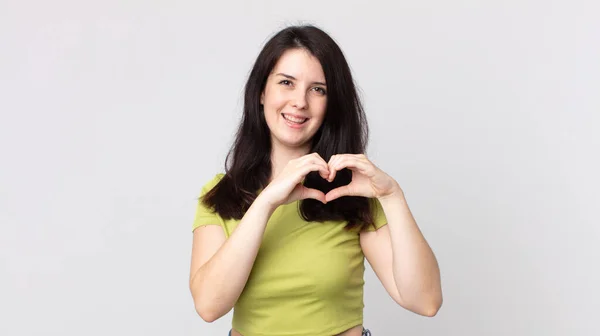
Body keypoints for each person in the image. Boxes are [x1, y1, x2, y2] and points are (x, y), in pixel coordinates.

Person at [188, 25, 443, 336]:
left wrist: (392, 197)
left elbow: (425, 301)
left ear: (330, 104)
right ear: (261, 92)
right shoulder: (222, 194)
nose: (300, 102)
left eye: (317, 89)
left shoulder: (352, 192)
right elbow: (209, 306)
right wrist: (267, 200)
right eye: (286, 83)